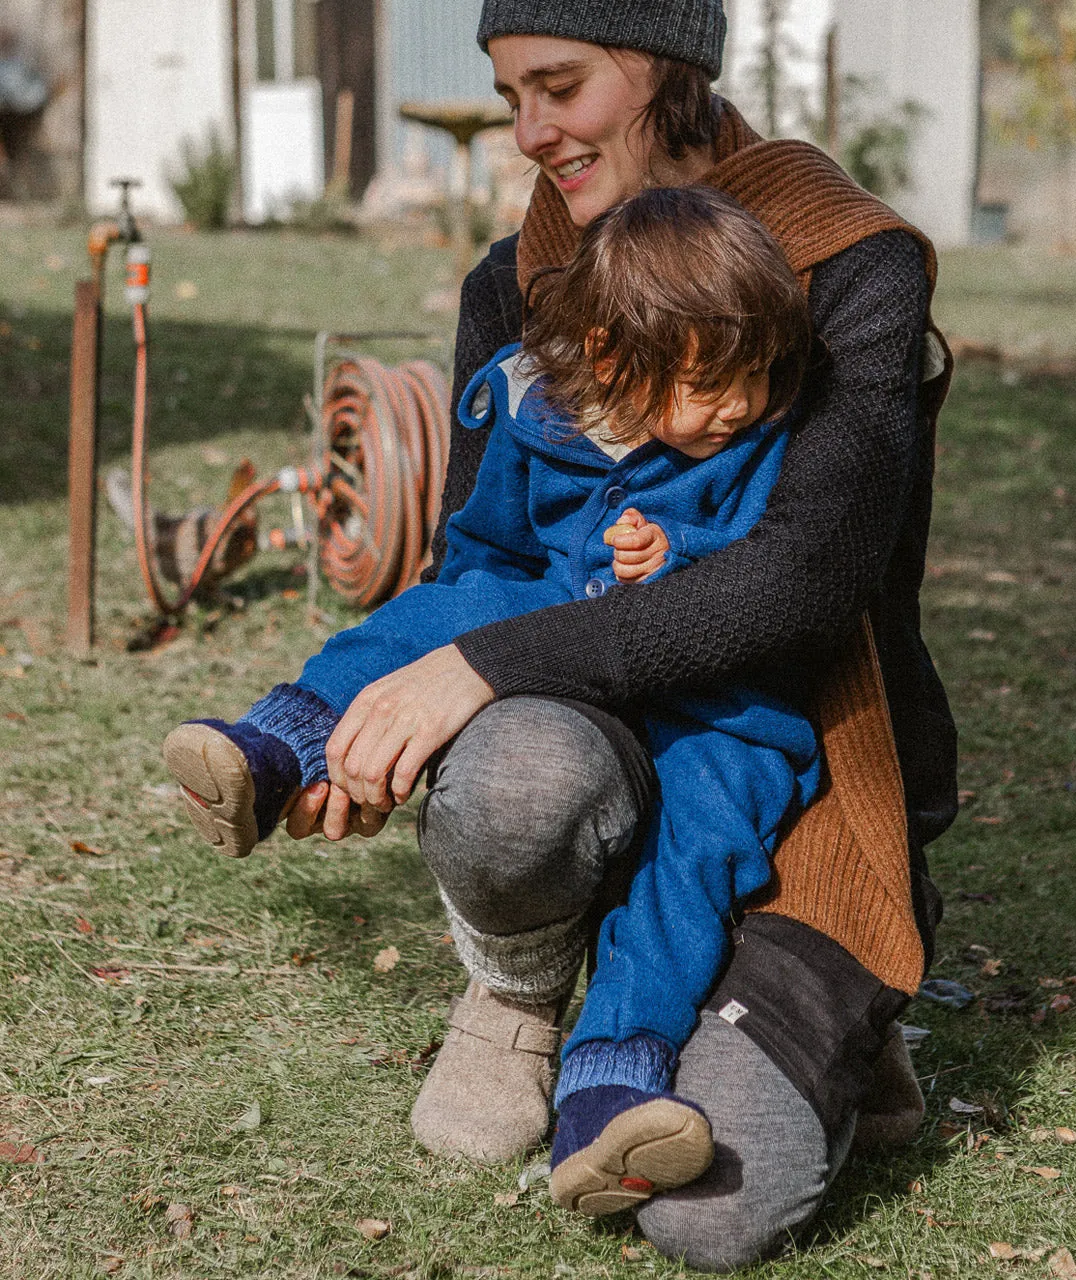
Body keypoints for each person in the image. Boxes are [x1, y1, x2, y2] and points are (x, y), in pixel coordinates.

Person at [280, 1, 958, 1269]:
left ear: (664, 65)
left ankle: (834, 1010)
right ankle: (520, 981)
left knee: (713, 1208)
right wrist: (366, 722)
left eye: (559, 86)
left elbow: (799, 585)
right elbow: (487, 555)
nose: (529, 131)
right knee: (516, 769)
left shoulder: (853, 261)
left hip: (794, 743)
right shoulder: (516, 279)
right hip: (598, 710)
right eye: (510, 97)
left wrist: (474, 664)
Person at [164, 186, 825, 1212]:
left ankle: (611, 1090)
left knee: (688, 863)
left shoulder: (757, 432)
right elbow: (490, 545)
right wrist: (460, 627)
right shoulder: (534, 404)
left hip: (717, 703)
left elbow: (788, 567)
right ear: (609, 357)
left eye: (753, 378)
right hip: (551, 624)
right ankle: (278, 744)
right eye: (708, 385)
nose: (737, 405)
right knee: (434, 612)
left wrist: (684, 553)